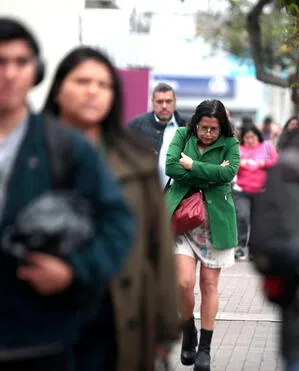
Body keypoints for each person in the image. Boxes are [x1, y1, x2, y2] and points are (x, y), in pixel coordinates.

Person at [0, 18, 135, 370]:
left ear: (36, 71)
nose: (10, 74)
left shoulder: (62, 146)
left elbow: (118, 224)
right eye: (0, 62)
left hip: (38, 340)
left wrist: (74, 271)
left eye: (20, 62)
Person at [43, 46, 180, 371]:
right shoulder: (33, 152)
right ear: (59, 88)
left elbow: (157, 246)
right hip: (44, 314)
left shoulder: (135, 158)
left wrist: (164, 328)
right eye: (82, 81)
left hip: (119, 313)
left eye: (103, 84)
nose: (93, 91)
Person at [165, 99, 240, 371]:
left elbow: (228, 174)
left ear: (223, 129)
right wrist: (210, 173)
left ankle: (204, 349)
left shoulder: (231, 145)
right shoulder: (181, 135)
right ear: (195, 123)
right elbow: (170, 167)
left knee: (209, 285)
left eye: (214, 130)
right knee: (184, 284)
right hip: (181, 221)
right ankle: (189, 331)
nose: (208, 134)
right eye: (204, 128)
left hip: (215, 224)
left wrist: (191, 166)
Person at [128, 82, 189, 186]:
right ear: (152, 102)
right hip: (147, 190)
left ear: (175, 102)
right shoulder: (137, 124)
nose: (164, 106)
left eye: (168, 101)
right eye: (160, 102)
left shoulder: (188, 124)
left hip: (179, 192)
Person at [233, 123, 279, 260]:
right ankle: (240, 246)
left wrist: (263, 163)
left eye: (252, 137)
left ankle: (254, 249)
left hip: (261, 190)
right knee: (243, 217)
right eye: (246, 138)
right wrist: (240, 164)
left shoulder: (266, 147)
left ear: (257, 136)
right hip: (242, 190)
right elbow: (230, 165)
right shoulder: (238, 149)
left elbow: (276, 162)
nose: (249, 140)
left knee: (257, 221)